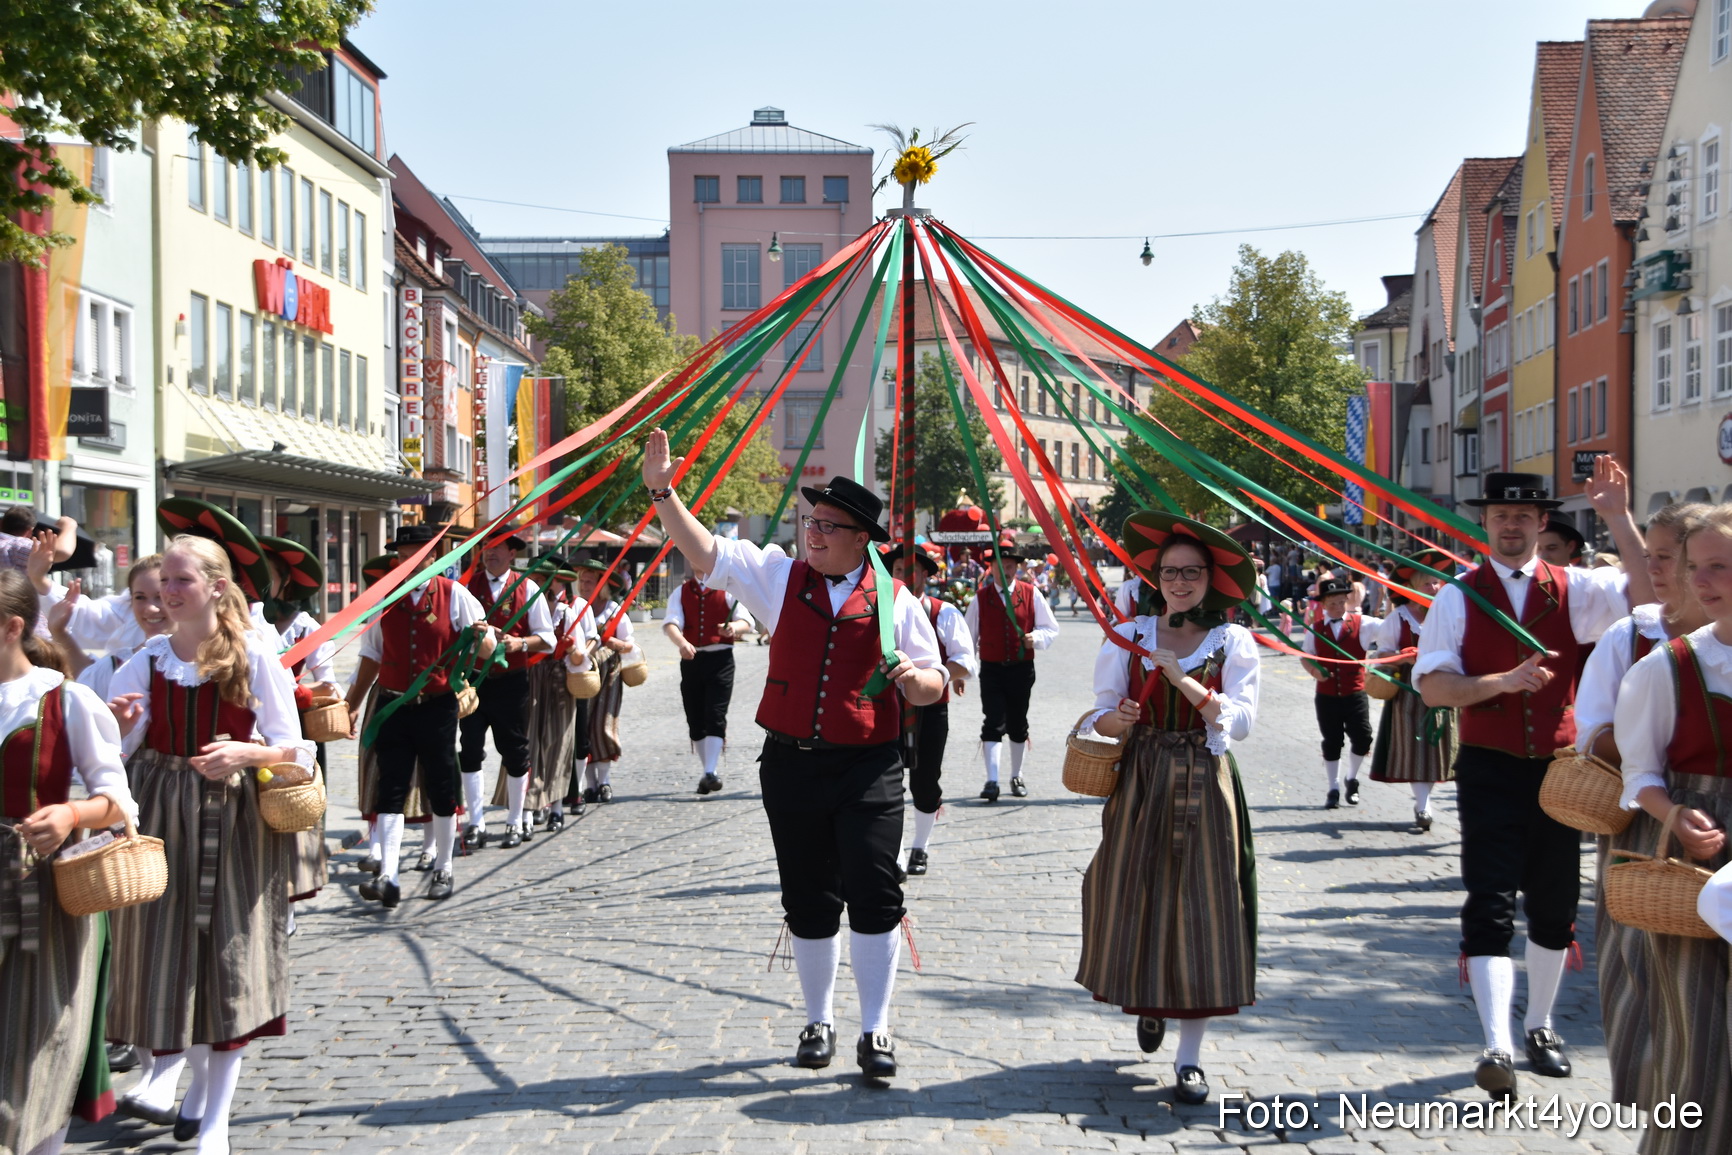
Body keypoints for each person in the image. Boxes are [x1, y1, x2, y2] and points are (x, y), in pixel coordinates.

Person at [643, 431, 945, 1080]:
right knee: (808, 898)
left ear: (862, 537)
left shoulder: (896, 599)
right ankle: (819, 1019)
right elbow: (704, 549)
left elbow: (934, 681)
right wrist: (663, 492)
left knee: (875, 890)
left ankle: (876, 1028)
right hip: (792, 762)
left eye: (829, 525)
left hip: (869, 765)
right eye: (811, 519)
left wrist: (911, 680)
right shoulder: (780, 575)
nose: (814, 531)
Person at [1415, 462, 1650, 1099]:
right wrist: (1498, 682)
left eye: (1523, 517)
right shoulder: (1457, 595)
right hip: (1489, 768)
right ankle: (1495, 1042)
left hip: (1560, 771)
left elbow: (1651, 596)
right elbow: (1434, 687)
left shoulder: (1577, 587)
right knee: (1488, 900)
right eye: (1500, 517)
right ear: (1484, 524)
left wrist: (1618, 517)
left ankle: (1540, 1027)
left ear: (1542, 523)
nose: (1511, 526)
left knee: (1553, 903)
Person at [105, 534, 315, 1155]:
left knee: (227, 964)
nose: (167, 594)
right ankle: (193, 1091)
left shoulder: (253, 656)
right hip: (164, 820)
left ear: (216, 588)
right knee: (171, 965)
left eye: (180, 582)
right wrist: (118, 726)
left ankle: (215, 1120)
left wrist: (251, 753)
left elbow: (297, 750)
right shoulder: (145, 659)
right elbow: (114, 756)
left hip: (235, 823)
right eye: (164, 583)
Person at [1076, 510, 1261, 1107]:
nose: (1181, 581)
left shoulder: (1232, 640)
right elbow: (1098, 713)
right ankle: (1151, 1000)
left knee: (1205, 908)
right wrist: (1118, 717)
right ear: (1155, 576)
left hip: (1204, 782)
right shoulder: (1130, 634)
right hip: (1142, 778)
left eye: (1193, 572)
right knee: (1136, 893)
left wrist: (1184, 682)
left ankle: (1189, 1058)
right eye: (1170, 571)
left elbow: (1240, 722)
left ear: (1213, 578)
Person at [1573, 502, 1709, 1112]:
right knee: (1647, 978)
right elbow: (1589, 733)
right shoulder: (1633, 638)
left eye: (1665, 557)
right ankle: (1668, 1110)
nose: (1653, 568)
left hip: (1708, 826)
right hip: (1641, 826)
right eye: (1646, 555)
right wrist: (1649, 743)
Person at [0, 571, 136, 1155]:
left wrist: (69, 816)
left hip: (43, 899)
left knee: (41, 1043)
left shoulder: (66, 699)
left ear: (11, 627)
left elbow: (119, 803)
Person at [1612, 504, 1732, 1155]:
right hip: (1697, 867)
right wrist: (1672, 813)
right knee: (1702, 1042)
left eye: (1721, 566)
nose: (1705, 580)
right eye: (1697, 567)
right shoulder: (1667, 668)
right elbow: (1640, 775)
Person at [344, 525, 497, 905]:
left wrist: (482, 637)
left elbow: (488, 649)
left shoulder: (454, 595)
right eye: (404, 555)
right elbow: (371, 656)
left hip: (437, 707)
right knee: (390, 788)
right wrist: (351, 704)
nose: (412, 562)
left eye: (421, 554)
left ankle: (444, 866)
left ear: (434, 557)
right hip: (393, 706)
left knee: (441, 787)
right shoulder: (386, 600)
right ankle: (389, 876)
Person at [459, 526, 556, 850]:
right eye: (487, 547)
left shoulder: (527, 587)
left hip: (512, 682)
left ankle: (515, 820)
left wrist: (519, 643)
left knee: (515, 751)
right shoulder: (465, 587)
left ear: (513, 553)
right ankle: (476, 822)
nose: (491, 552)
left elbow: (547, 639)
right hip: (474, 681)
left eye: (498, 548)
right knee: (470, 749)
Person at [257, 537, 336, 925]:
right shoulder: (248, 620)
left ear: (284, 583)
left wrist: (301, 693)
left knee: (288, 814)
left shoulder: (307, 628)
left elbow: (330, 688)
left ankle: (286, 911)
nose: (255, 581)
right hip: (254, 734)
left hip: (297, 733)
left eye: (265, 575)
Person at [886, 544, 977, 877]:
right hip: (888, 709)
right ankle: (893, 854)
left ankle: (920, 847)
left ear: (925, 574)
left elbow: (965, 661)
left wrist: (934, 678)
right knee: (887, 780)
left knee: (925, 781)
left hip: (931, 708)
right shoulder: (881, 610)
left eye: (910, 571)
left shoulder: (944, 611)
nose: (903, 577)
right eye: (896, 571)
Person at [1367, 549, 1456, 831]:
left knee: (1437, 746)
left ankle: (1427, 802)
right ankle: (1423, 807)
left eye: (1437, 583)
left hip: (1443, 685)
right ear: (1412, 587)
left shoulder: (1447, 614)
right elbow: (1382, 655)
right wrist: (1402, 657)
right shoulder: (1398, 618)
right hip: (1409, 691)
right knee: (1417, 748)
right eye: (1428, 583)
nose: (1435, 588)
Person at [965, 544, 1060, 800]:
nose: (1004, 571)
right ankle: (991, 780)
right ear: (991, 568)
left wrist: (1035, 637)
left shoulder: (1031, 593)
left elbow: (1050, 627)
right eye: (1000, 566)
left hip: (1022, 669)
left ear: (1016, 568)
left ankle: (1016, 776)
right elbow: (968, 637)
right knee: (993, 721)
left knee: (1018, 723)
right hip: (992, 669)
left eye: (1009, 566)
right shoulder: (980, 598)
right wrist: (963, 672)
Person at [663, 561, 755, 795]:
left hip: (720, 659)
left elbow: (747, 622)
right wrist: (682, 642)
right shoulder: (681, 592)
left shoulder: (728, 591)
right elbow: (671, 623)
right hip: (692, 660)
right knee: (695, 716)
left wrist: (734, 627)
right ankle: (707, 770)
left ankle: (711, 771)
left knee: (715, 713)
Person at [522, 555, 593, 831]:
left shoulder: (569, 611)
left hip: (561, 681)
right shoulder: (525, 609)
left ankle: (556, 806)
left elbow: (582, 654)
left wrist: (573, 650)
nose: (535, 583)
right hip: (531, 679)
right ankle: (532, 804)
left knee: (559, 743)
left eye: (541, 580)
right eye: (534, 578)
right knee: (531, 743)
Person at [1301, 576, 1381, 809]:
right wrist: (1315, 672)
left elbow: (1390, 628)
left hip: (1355, 693)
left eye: (1341, 602)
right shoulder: (1315, 629)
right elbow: (1306, 657)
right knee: (1332, 740)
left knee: (1363, 736)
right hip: (1326, 696)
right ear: (1323, 605)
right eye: (1332, 603)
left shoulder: (1363, 624)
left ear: (1347, 600)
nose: (1337, 607)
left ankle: (1352, 778)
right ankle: (1333, 787)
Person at [573, 559, 636, 805]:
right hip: (582, 673)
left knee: (603, 725)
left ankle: (605, 780)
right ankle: (589, 785)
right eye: (582, 581)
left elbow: (629, 643)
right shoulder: (576, 608)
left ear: (602, 585)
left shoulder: (613, 610)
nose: (584, 586)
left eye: (589, 582)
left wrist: (613, 643)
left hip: (609, 673)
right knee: (583, 727)